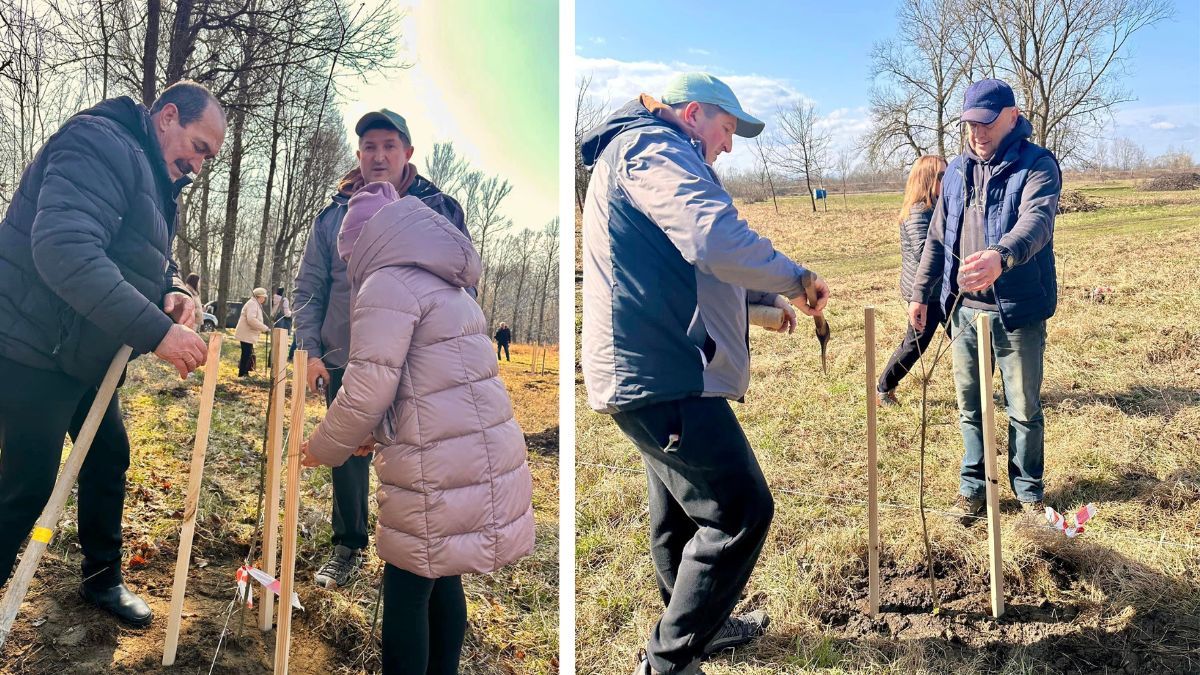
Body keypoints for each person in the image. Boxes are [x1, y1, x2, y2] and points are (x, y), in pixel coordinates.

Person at [580, 72, 830, 675]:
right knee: (740, 511)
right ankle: (669, 660)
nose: (731, 144)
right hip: (663, 373)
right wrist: (795, 276)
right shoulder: (653, 148)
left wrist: (759, 308)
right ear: (692, 113)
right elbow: (712, 239)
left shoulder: (647, 152)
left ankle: (700, 628)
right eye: (727, 128)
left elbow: (676, 266)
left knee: (676, 516)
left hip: (654, 367)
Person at [0, 81, 225, 627]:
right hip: (35, 346)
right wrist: (157, 331)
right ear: (167, 116)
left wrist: (168, 291)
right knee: (28, 483)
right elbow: (64, 249)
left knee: (107, 457)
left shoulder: (152, 175)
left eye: (209, 158)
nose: (199, 166)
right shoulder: (99, 144)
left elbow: (131, 256)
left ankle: (102, 579)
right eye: (199, 147)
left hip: (84, 352)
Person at [300, 181, 533, 675]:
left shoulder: (386, 283)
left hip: (438, 462)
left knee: (406, 584)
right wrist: (377, 431)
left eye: (347, 255)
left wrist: (326, 446)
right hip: (474, 450)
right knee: (442, 574)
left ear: (361, 245)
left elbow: (368, 386)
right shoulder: (442, 279)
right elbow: (421, 379)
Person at [293, 108, 473, 589]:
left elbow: (461, 284)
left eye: (389, 146)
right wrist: (310, 350)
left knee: (421, 466)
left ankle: (427, 563)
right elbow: (310, 288)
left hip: (418, 370)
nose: (378, 156)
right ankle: (348, 544)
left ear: (408, 152)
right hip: (347, 363)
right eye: (369, 147)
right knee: (350, 458)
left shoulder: (438, 209)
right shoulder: (333, 216)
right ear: (358, 154)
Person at [907, 78, 1061, 523]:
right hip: (964, 314)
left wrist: (1001, 256)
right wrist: (921, 293)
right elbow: (936, 237)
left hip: (1017, 313)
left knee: (1023, 407)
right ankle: (973, 486)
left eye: (987, 123)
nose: (977, 133)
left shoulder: (1037, 165)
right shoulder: (955, 171)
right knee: (970, 405)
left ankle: (1029, 492)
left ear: (1012, 117)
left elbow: (1037, 222)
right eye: (970, 124)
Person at [877, 155, 947, 406]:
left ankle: (978, 391)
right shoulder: (919, 211)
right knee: (915, 345)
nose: (946, 180)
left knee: (970, 343)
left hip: (943, 290)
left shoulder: (938, 206)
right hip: (926, 294)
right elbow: (923, 251)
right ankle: (883, 388)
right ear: (927, 179)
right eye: (941, 176)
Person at [235, 288, 270, 377]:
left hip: (248, 333)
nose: (264, 299)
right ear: (259, 297)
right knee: (246, 354)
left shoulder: (255, 304)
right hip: (246, 333)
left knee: (247, 353)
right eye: (263, 297)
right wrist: (264, 328)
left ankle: (245, 372)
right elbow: (251, 320)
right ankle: (242, 374)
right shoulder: (252, 304)